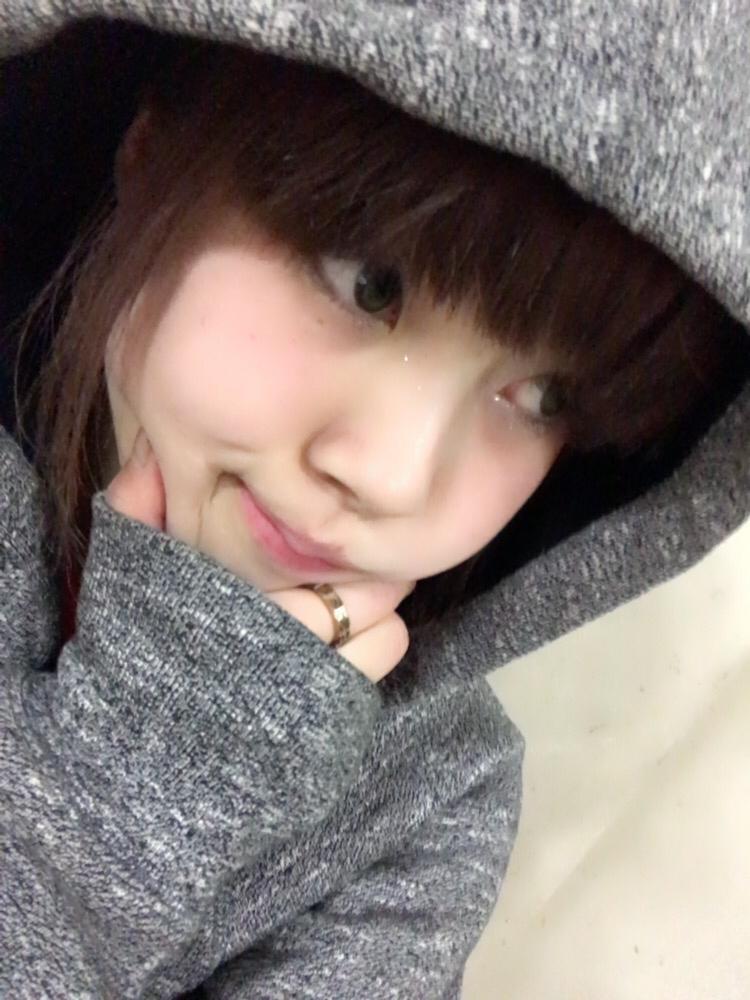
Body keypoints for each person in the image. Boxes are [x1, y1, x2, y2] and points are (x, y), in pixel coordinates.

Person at [0, 8, 748, 1000]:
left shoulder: (431, 805)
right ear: (148, 149)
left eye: (544, 399)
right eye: (367, 284)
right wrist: (121, 806)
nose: (396, 476)